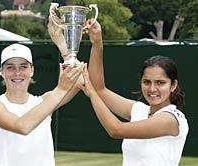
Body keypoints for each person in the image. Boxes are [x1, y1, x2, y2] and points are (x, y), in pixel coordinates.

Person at [80, 20, 189, 166]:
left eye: (160, 83)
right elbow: (100, 89)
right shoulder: (139, 110)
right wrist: (97, 43)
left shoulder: (171, 119)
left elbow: (116, 130)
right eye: (147, 82)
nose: (152, 89)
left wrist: (91, 93)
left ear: (173, 85)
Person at [0, 42, 84, 166]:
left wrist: (62, 44)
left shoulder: (45, 101)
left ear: (32, 70)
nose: (17, 73)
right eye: (10, 67)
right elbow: (22, 126)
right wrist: (60, 90)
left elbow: (80, 80)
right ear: (2, 72)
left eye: (23, 67)